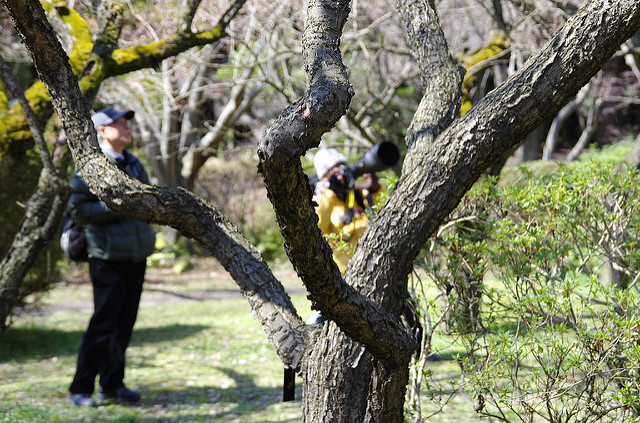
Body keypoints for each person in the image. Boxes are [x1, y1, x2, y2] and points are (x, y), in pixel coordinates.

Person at [67, 107, 156, 407]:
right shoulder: (90, 166)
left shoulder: (133, 163)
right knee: (103, 324)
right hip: (106, 257)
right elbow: (79, 210)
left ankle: (112, 384)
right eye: (118, 123)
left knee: (124, 324)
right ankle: (80, 389)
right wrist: (120, 205)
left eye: (127, 122)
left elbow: (147, 200)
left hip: (136, 255)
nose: (126, 127)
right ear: (102, 131)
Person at [309, 147, 423, 356]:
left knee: (409, 307)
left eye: (342, 167)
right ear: (324, 178)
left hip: (377, 268)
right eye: (333, 171)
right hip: (344, 277)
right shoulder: (321, 200)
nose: (341, 173)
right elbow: (317, 227)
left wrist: (376, 189)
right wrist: (330, 193)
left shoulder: (359, 194)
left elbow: (386, 213)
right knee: (322, 322)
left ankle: (420, 351)